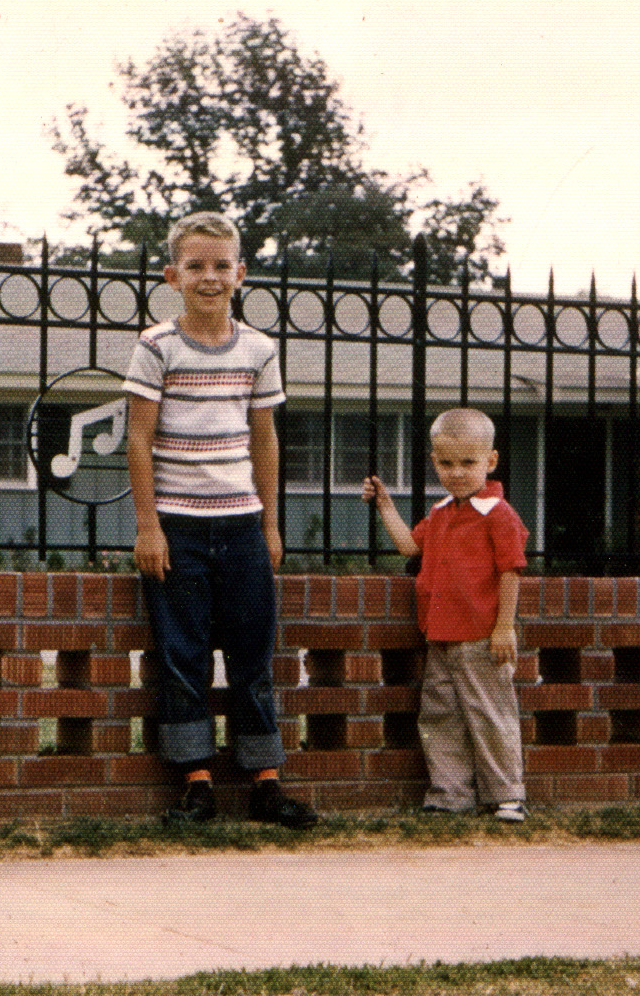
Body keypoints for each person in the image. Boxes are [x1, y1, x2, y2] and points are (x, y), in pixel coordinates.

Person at [124, 210, 317, 830]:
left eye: (219, 266)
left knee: (253, 654)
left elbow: (265, 440)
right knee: (182, 655)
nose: (208, 278)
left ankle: (264, 779)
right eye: (195, 266)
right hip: (178, 525)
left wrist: (270, 524)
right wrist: (149, 525)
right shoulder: (156, 346)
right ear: (171, 274)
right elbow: (137, 439)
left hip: (241, 525)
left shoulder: (260, 349)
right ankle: (197, 781)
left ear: (240, 273)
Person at [361, 407, 531, 822]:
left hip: (481, 637)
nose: (457, 473)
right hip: (440, 636)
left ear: (490, 461)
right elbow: (409, 548)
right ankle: (450, 794)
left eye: (469, 463)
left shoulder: (498, 514)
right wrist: (385, 506)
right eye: (447, 463)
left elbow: (511, 572)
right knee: (441, 716)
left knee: (490, 714)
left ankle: (506, 794)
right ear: (435, 461)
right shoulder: (440, 513)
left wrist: (504, 627)